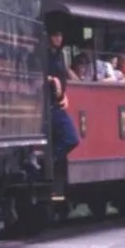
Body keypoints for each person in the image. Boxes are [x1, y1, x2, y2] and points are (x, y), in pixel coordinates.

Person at [46, 28, 80, 159]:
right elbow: (36, 74)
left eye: (60, 35)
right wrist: (52, 79)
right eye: (55, 35)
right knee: (69, 137)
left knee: (72, 139)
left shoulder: (60, 55)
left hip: (58, 102)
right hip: (47, 102)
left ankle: (49, 161)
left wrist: (64, 95)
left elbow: (63, 77)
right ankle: (47, 163)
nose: (58, 38)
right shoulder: (43, 53)